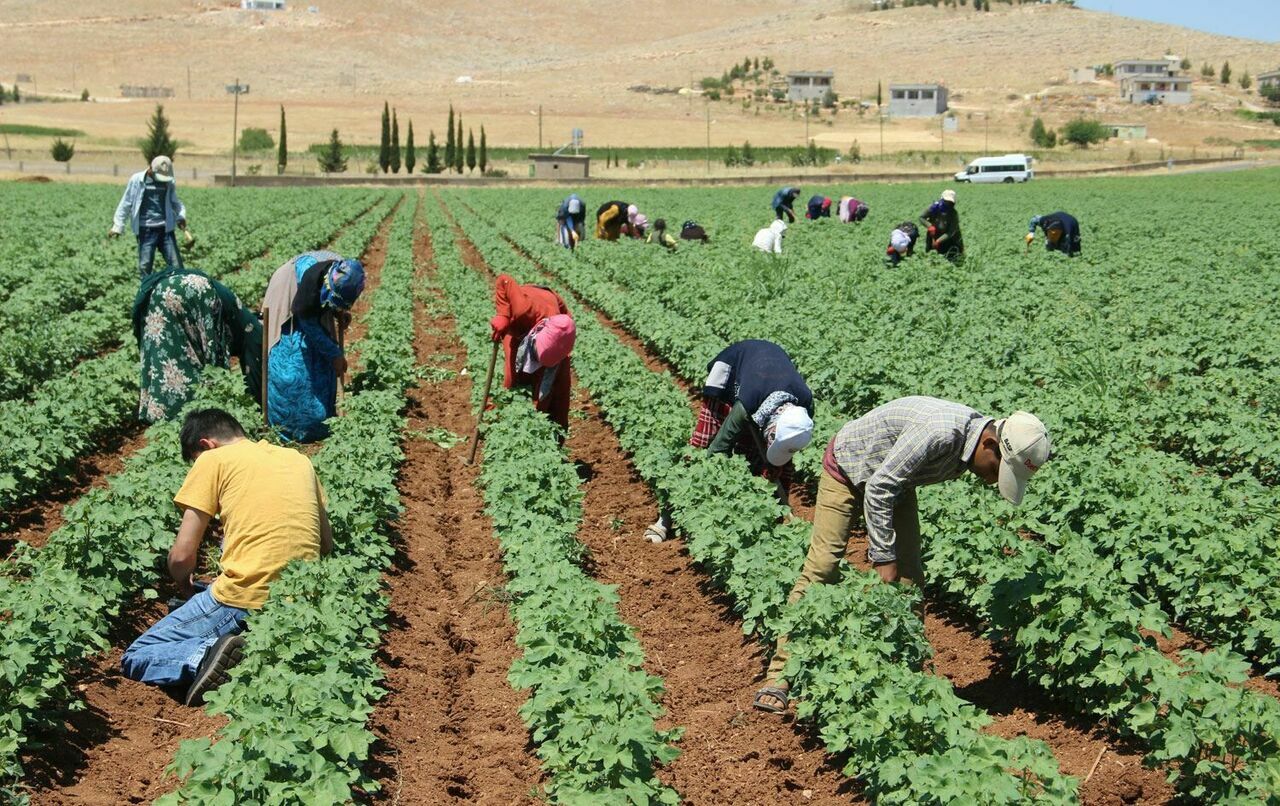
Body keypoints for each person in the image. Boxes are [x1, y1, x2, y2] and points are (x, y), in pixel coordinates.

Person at [753, 399, 1052, 714]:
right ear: (989, 444)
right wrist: (883, 558)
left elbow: (890, 482)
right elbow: (878, 488)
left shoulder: (971, 443)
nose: (993, 480)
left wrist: (895, 563)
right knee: (823, 566)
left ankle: (904, 676)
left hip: (894, 481)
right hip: (848, 467)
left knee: (910, 578)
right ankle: (780, 676)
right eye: (996, 470)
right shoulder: (940, 433)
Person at [121, 408, 334, 706]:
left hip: (244, 597)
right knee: (209, 592)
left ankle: (209, 656)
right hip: (300, 598)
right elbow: (325, 545)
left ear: (206, 446)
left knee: (138, 654)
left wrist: (183, 585)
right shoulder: (299, 460)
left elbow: (182, 556)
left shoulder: (213, 460)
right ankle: (253, 648)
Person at [644, 340, 815, 543]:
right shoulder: (747, 404)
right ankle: (666, 519)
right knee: (701, 449)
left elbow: (782, 454)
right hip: (733, 372)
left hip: (766, 378)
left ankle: (774, 523)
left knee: (778, 468)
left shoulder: (804, 410)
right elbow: (718, 449)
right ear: (769, 429)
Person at [132, 268, 263, 423]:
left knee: (166, 352)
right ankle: (196, 417)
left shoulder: (240, 314)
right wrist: (258, 403)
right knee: (207, 365)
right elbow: (253, 367)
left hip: (159, 290)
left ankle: (165, 415)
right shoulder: (255, 332)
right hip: (194, 291)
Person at [261, 252, 365, 442]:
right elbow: (307, 318)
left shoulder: (341, 274)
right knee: (293, 368)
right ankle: (289, 428)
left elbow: (331, 298)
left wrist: (338, 312)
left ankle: (320, 425)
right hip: (289, 302)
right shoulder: (309, 275)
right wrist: (334, 354)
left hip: (309, 302)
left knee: (321, 366)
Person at [490, 274, 576, 430]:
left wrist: (536, 413)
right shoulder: (523, 309)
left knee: (559, 394)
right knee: (512, 382)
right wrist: (503, 314)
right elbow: (504, 280)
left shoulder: (565, 332)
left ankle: (554, 440)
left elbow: (564, 311)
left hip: (552, 316)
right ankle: (497, 424)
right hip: (520, 330)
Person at [110, 155, 187, 280]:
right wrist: (118, 226)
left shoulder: (168, 182)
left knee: (176, 265)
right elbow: (126, 202)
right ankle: (147, 294)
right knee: (145, 266)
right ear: (151, 169)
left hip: (165, 229)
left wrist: (180, 216)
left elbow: (175, 202)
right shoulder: (137, 180)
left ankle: (180, 292)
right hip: (145, 230)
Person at [921, 189, 963, 263]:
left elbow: (951, 232)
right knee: (931, 255)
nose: (948, 204)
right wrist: (929, 226)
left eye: (950, 202)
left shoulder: (953, 213)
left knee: (951, 257)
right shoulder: (933, 208)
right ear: (942, 199)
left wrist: (938, 241)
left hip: (948, 238)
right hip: (933, 233)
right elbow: (921, 218)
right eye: (946, 201)